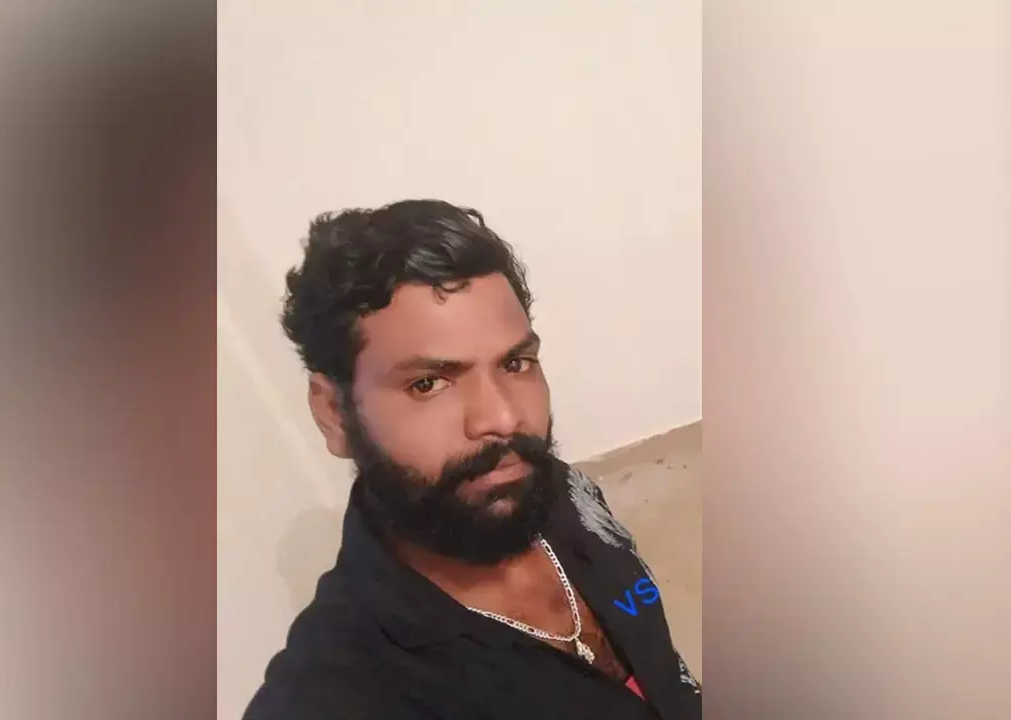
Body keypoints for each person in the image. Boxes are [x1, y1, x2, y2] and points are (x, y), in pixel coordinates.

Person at [244, 200, 701, 719]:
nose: (503, 418)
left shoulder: (552, 487)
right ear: (334, 413)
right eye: (428, 384)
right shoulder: (339, 692)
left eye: (516, 362)